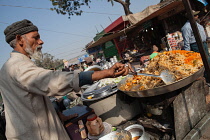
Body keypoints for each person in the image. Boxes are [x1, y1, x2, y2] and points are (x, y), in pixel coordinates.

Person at [0, 19, 131, 140]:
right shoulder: (17, 67)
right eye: (36, 37)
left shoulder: (10, 67)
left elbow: (31, 100)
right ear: (19, 39)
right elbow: (53, 81)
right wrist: (105, 73)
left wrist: (57, 115)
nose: (41, 41)